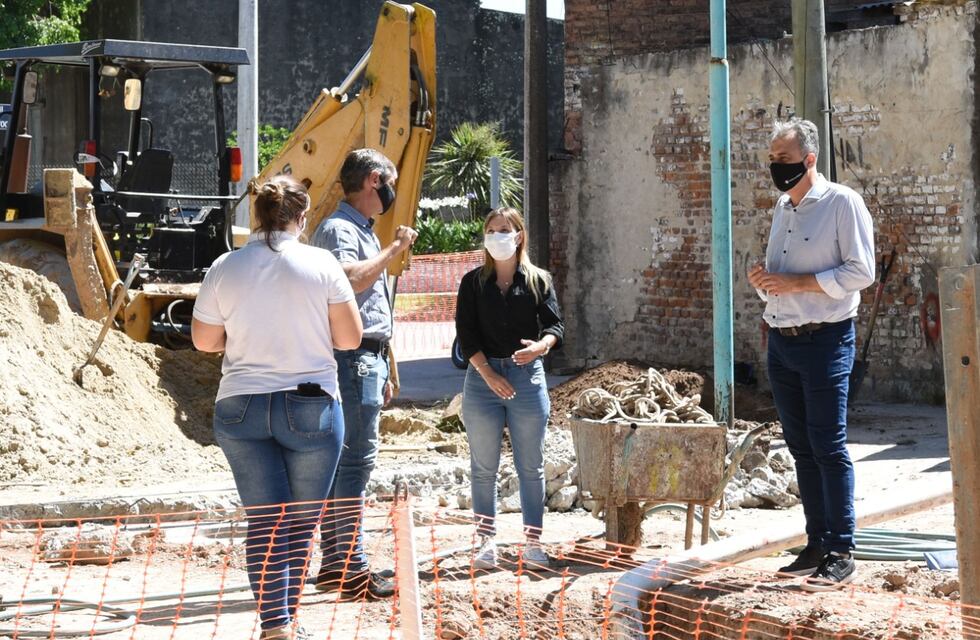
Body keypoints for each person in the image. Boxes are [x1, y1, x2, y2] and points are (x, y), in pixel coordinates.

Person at [191, 176, 362, 639]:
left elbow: (205, 341)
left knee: (265, 523)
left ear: (258, 216)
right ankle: (287, 621)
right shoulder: (321, 263)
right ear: (302, 218)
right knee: (302, 524)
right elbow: (349, 338)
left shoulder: (226, 265)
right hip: (311, 406)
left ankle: (276, 626)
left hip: (240, 405)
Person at [748, 119, 875, 592]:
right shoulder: (783, 207)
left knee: (828, 445)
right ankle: (817, 542)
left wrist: (798, 284)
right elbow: (779, 276)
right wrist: (763, 282)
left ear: (809, 158)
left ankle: (842, 549)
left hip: (826, 339)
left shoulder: (843, 203)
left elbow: (862, 270)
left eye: (783, 159)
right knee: (800, 448)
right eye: (771, 159)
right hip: (782, 338)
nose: (775, 168)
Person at [310, 148, 417, 600]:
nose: (391, 191)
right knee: (354, 461)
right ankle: (349, 566)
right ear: (374, 181)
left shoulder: (359, 230)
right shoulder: (340, 229)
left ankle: (335, 562)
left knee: (344, 462)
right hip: (352, 359)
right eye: (389, 181)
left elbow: (373, 308)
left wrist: (386, 363)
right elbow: (351, 280)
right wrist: (395, 249)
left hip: (366, 357)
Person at [454, 207, 564, 570]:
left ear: (518, 235)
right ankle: (485, 541)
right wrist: (488, 374)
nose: (496, 235)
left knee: (530, 466)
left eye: (503, 229)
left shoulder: (538, 280)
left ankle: (533, 542)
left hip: (526, 378)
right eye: (490, 229)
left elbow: (555, 327)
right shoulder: (472, 282)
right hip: (483, 379)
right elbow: (466, 337)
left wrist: (540, 347)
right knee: (483, 466)